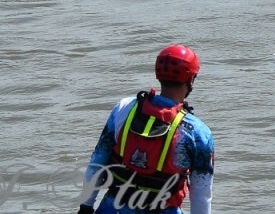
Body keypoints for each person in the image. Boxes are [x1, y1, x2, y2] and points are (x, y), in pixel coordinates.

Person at [78, 44, 214, 214]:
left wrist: (85, 207)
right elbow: (201, 195)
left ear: (158, 74)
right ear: (191, 79)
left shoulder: (124, 108)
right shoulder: (198, 132)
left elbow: (97, 162)